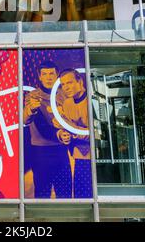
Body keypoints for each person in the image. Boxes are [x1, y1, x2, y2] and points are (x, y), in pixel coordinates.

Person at [24, 61, 72, 198]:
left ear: (57, 76)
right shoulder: (33, 96)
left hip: (61, 150)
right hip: (40, 152)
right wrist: (31, 109)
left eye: (51, 73)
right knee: (42, 193)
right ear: (39, 77)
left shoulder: (64, 94)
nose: (48, 77)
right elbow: (27, 120)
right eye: (44, 74)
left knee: (65, 193)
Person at [54, 69, 93, 198]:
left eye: (69, 83)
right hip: (78, 158)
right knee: (81, 197)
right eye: (63, 84)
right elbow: (67, 129)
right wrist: (63, 135)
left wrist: (67, 125)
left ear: (80, 81)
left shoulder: (92, 100)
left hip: (95, 157)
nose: (66, 87)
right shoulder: (67, 103)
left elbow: (94, 132)